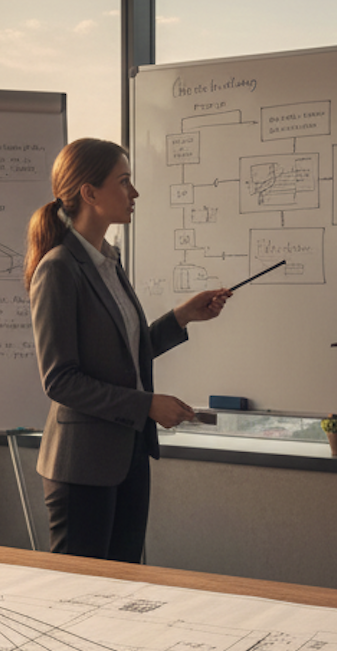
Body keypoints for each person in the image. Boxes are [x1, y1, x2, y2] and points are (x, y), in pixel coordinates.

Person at [26, 138, 231, 562]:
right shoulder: (59, 269)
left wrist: (181, 317)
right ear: (89, 193)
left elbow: (123, 354)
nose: (134, 192)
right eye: (123, 182)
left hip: (128, 455)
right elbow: (60, 380)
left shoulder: (108, 262)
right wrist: (146, 405)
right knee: (81, 592)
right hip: (82, 466)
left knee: (125, 587)